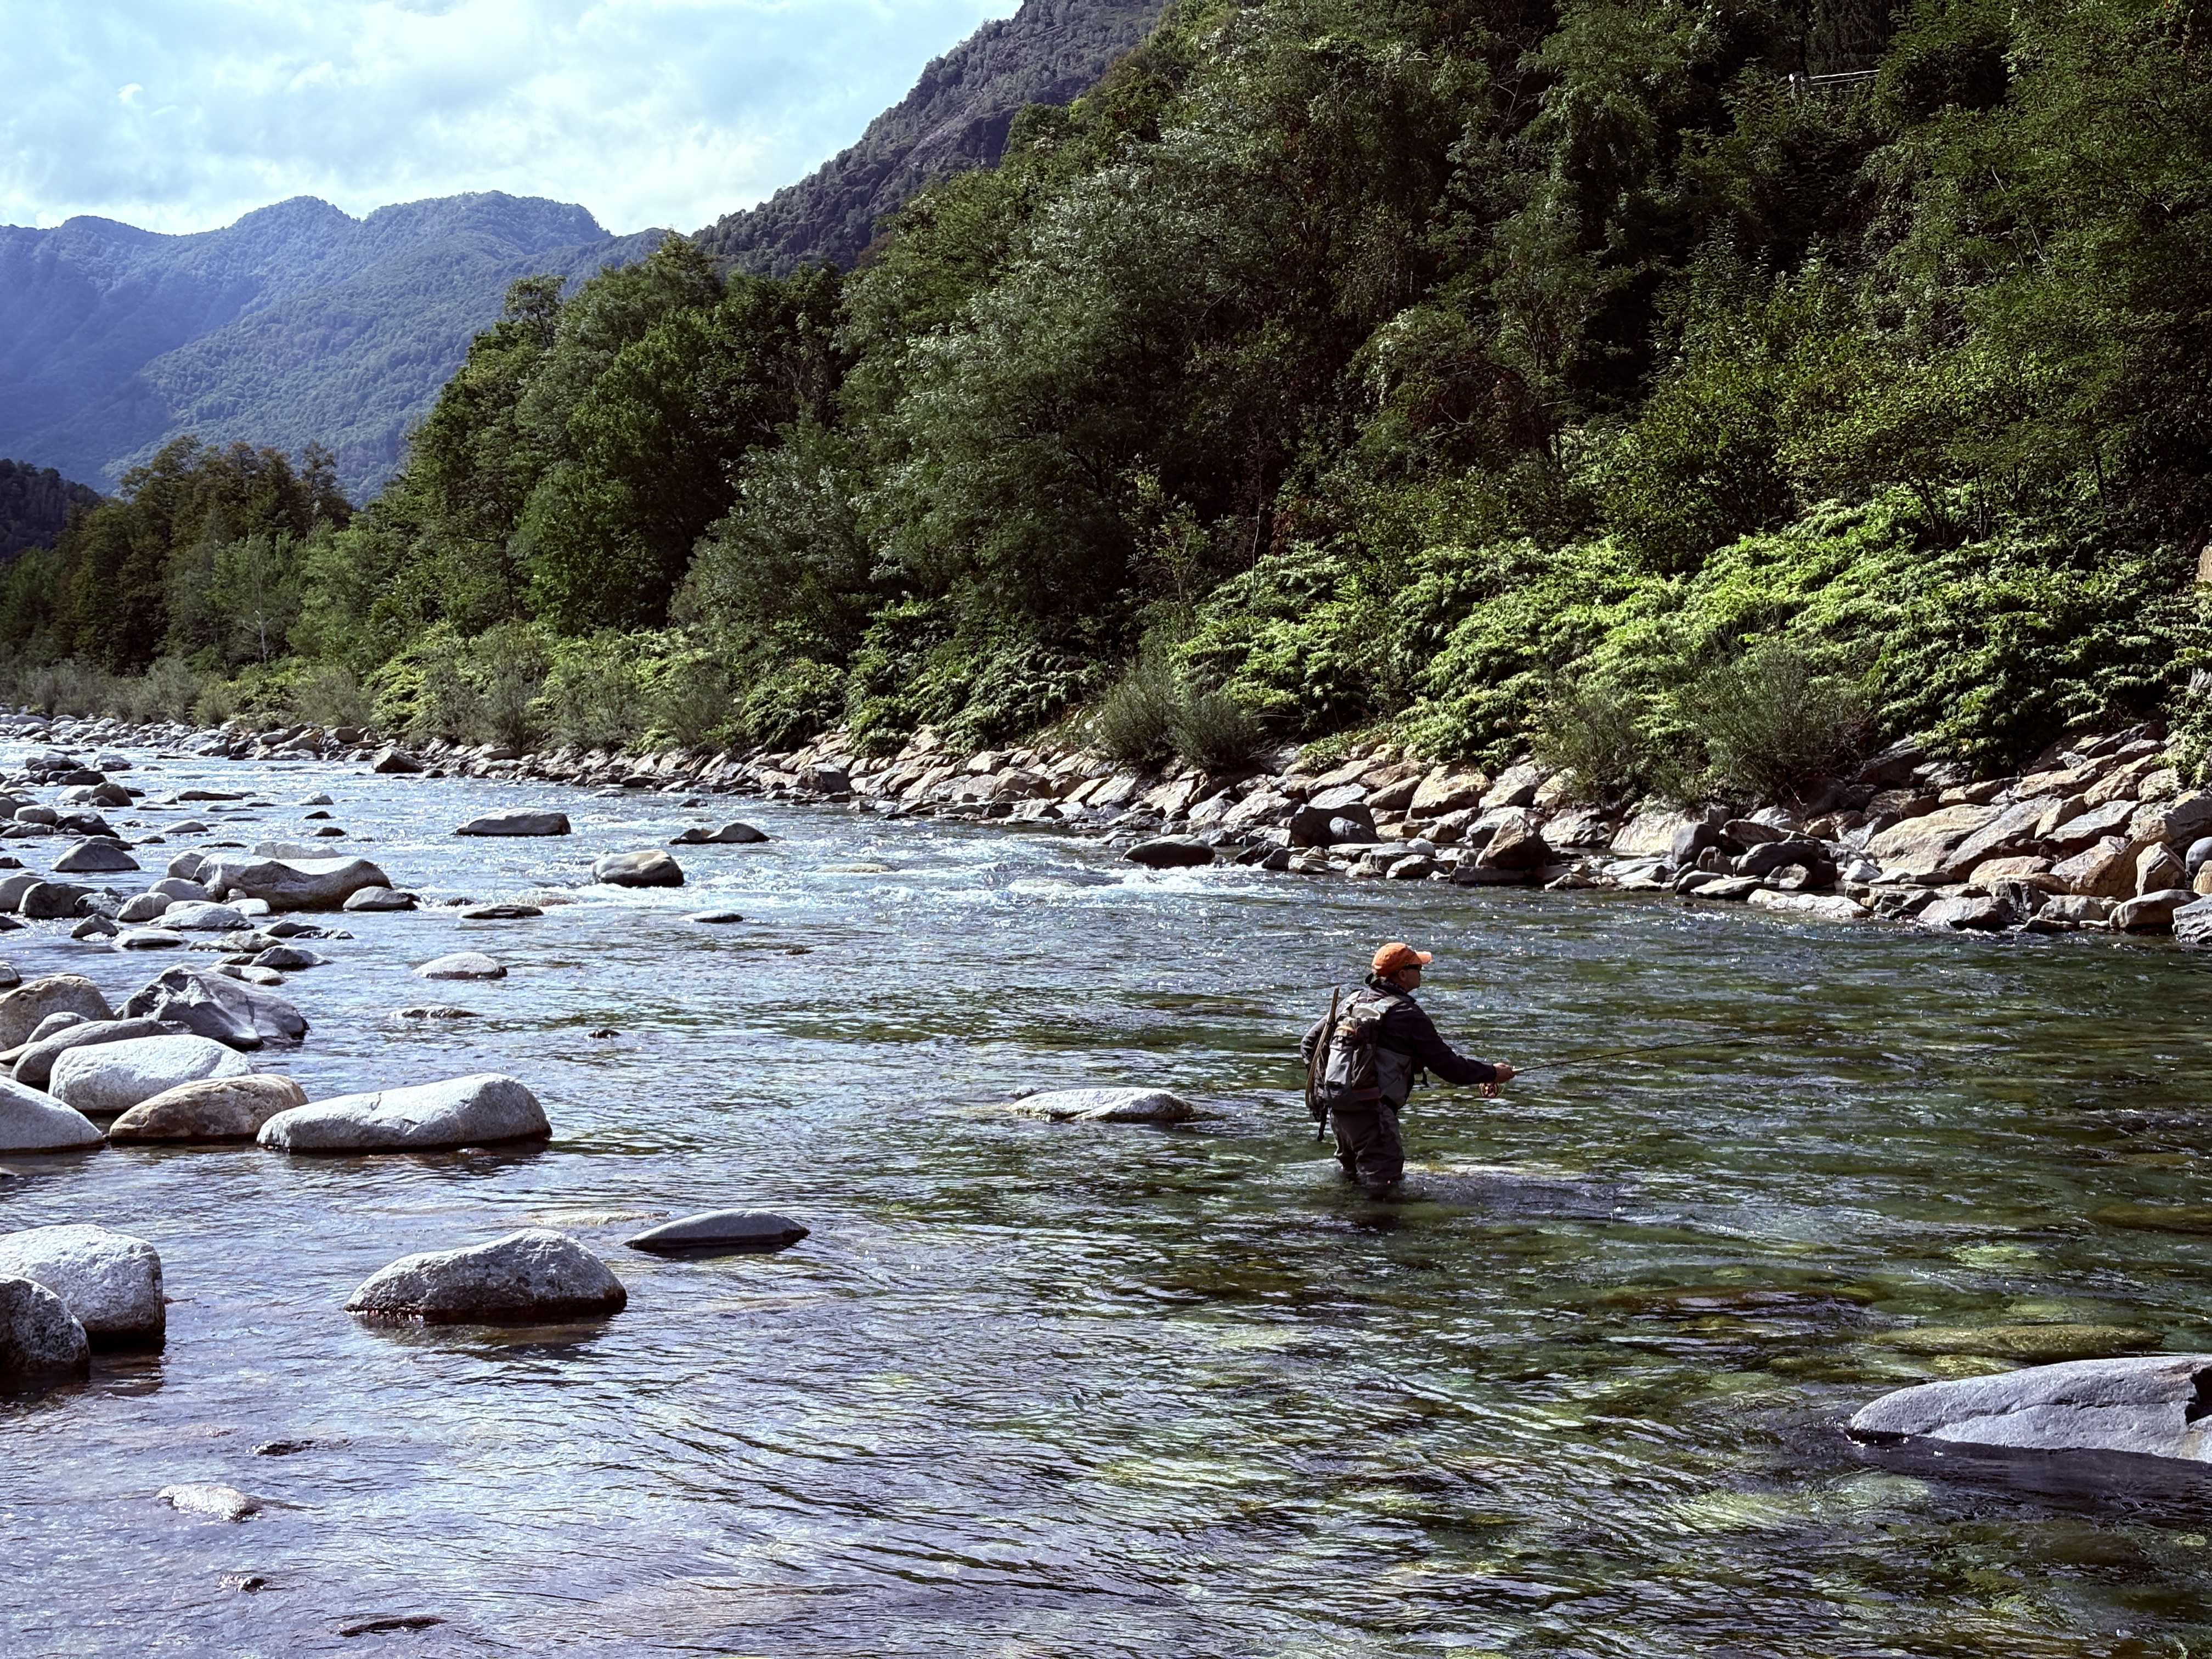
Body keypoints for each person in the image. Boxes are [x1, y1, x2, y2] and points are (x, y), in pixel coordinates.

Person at [1300, 941, 1515, 1195]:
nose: (1421, 972)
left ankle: (1340, 1229)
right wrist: (1493, 1073)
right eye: (1417, 967)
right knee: (1384, 1190)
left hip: (1338, 1110)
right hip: (1373, 1113)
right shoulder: (1406, 1014)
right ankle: (1372, 1231)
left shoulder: (1352, 1001)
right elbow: (1449, 1067)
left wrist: (1330, 1086)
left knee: (1350, 1183)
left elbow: (1309, 1044)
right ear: (1402, 974)